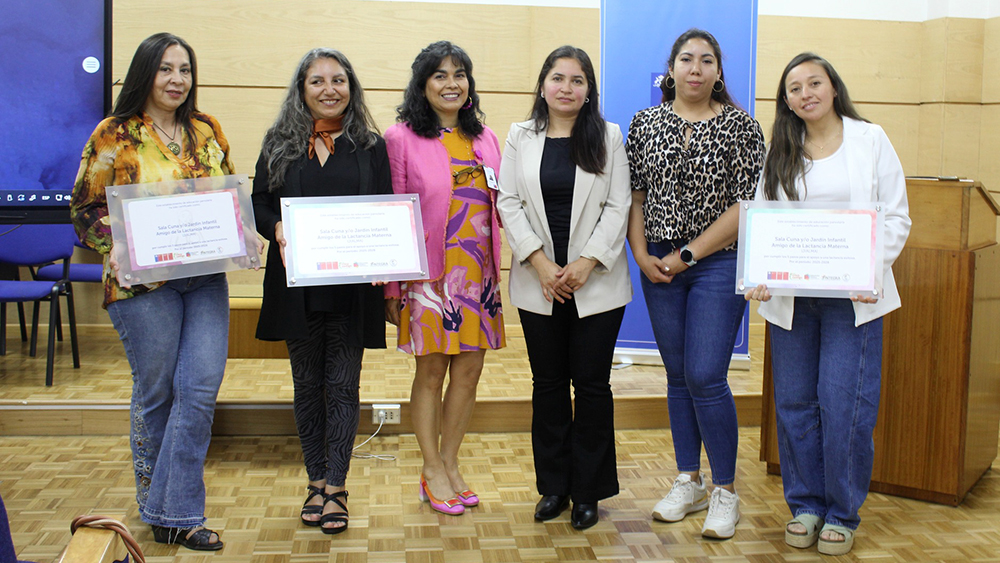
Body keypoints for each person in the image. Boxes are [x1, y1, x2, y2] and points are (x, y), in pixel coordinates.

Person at [70, 32, 241, 551]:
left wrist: (244, 229)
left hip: (206, 277)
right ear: (147, 73)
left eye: (184, 70)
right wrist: (114, 242)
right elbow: (84, 211)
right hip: (143, 284)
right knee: (158, 392)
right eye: (166, 69)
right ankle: (166, 510)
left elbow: (227, 192)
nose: (176, 80)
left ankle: (175, 511)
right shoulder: (113, 134)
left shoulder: (206, 128)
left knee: (200, 390)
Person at [745, 52, 910, 556]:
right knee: (794, 405)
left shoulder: (871, 139)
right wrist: (758, 273)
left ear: (833, 87)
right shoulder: (781, 149)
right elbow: (763, 219)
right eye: (794, 88)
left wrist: (871, 269)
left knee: (846, 408)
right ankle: (806, 506)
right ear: (787, 101)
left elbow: (896, 217)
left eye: (813, 83)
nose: (805, 93)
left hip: (851, 303)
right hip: (794, 301)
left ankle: (842, 512)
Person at [625, 28, 765, 539]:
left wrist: (687, 255)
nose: (696, 69)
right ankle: (689, 480)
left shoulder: (742, 128)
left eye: (707, 61)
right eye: (687, 59)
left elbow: (745, 206)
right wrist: (641, 254)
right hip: (658, 262)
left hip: (715, 263)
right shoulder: (646, 124)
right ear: (672, 68)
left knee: (707, 375)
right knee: (678, 375)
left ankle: (725, 490)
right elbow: (636, 197)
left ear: (718, 71)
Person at [251, 48, 391, 535]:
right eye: (317, 81)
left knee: (344, 384)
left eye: (338, 80)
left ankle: (338, 486)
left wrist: (385, 257)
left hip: (352, 286)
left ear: (351, 87)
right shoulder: (279, 141)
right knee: (307, 384)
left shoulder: (371, 145)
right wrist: (277, 229)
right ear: (301, 89)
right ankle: (315, 481)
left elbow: (386, 209)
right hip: (297, 285)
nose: (329, 89)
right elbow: (259, 202)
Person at [497, 46, 631, 530]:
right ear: (542, 85)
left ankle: (589, 491)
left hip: (594, 284)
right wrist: (539, 262)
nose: (567, 88)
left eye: (577, 80)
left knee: (592, 387)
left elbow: (618, 208)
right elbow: (508, 202)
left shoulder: (609, 137)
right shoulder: (519, 136)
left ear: (589, 89)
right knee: (548, 385)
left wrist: (584, 263)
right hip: (539, 282)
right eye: (558, 78)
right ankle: (554, 485)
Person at [383, 41, 505, 516]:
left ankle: (451, 463)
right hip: (429, 278)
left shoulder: (488, 138)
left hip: (479, 276)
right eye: (439, 75)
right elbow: (394, 215)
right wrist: (393, 288)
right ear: (422, 84)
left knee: (470, 372)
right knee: (431, 372)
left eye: (459, 74)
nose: (451, 83)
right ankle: (431, 467)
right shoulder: (401, 138)